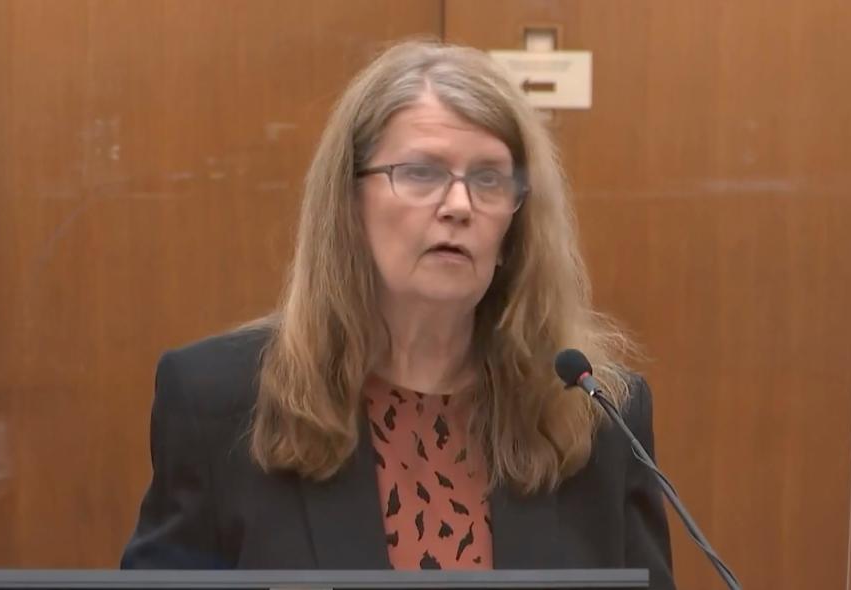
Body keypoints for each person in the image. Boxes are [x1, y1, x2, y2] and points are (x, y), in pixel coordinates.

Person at [120, 40, 675, 588]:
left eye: (487, 179)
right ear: (349, 203)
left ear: (515, 225)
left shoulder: (593, 415)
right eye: (420, 172)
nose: (459, 206)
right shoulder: (218, 401)